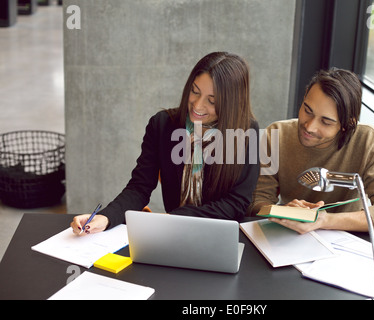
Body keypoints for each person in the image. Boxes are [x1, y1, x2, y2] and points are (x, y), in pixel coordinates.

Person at [71, 52, 260, 235]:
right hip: (174, 233)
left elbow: (236, 203)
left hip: (221, 236)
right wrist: (106, 217)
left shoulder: (246, 132)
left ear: (231, 104)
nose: (197, 105)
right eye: (194, 91)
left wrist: (173, 218)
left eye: (212, 101)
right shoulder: (162, 125)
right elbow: (139, 187)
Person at [248, 68, 374, 234]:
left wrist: (323, 220)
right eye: (307, 110)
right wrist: (284, 212)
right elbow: (257, 199)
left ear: (347, 124)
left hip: (348, 238)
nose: (309, 127)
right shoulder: (276, 134)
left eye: (326, 122)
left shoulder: (370, 141)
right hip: (291, 234)